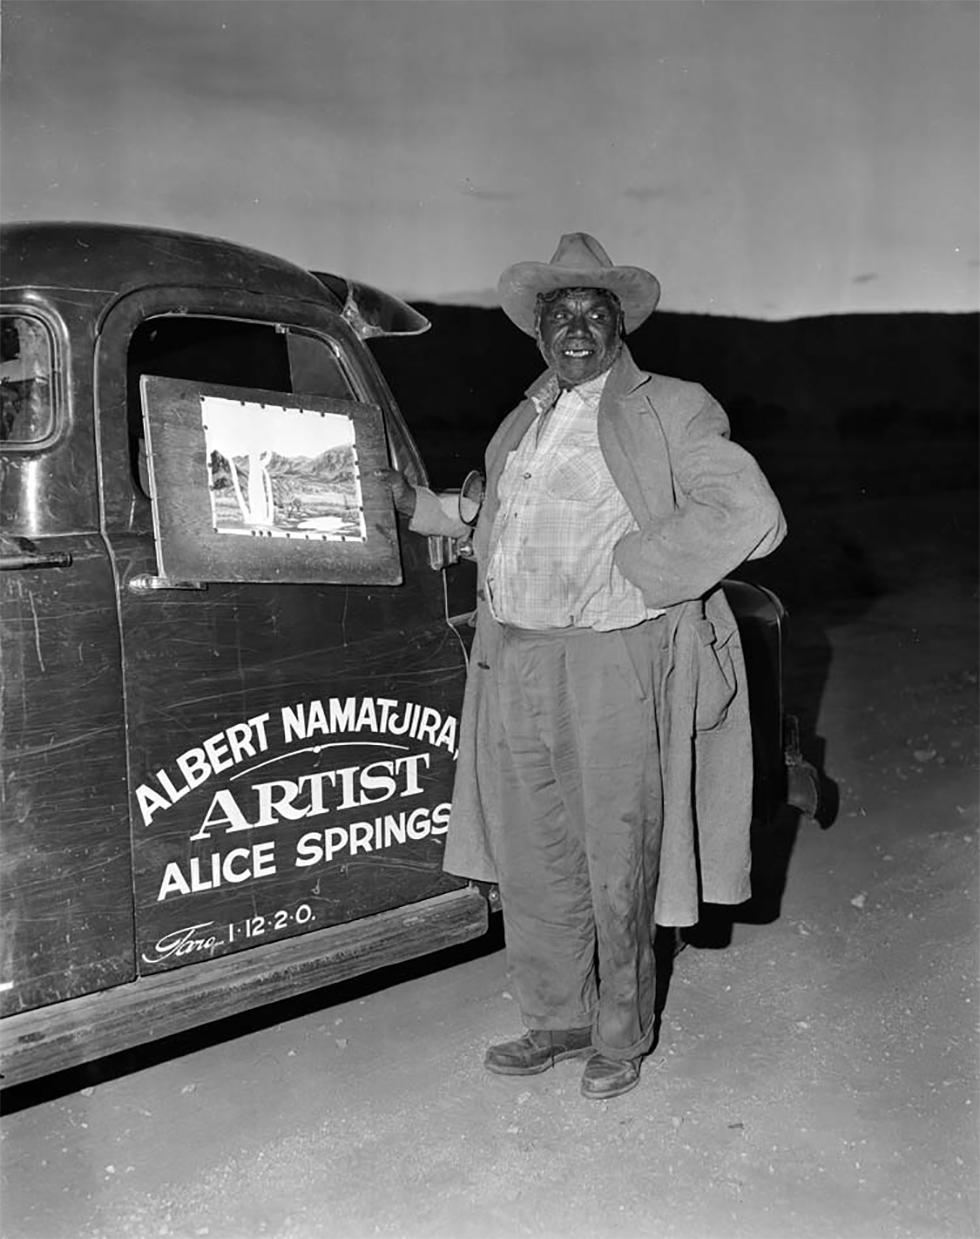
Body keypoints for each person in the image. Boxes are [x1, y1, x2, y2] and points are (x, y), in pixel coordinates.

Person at [379, 232, 786, 1099]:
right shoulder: (521, 422)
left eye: (592, 311)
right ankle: (557, 1016)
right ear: (537, 329)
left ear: (619, 324)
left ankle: (619, 1032)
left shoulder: (670, 407)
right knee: (535, 854)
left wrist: (642, 570)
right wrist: (410, 506)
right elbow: (492, 523)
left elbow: (747, 510)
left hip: (610, 663)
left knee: (618, 856)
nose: (574, 325)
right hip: (514, 660)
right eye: (557, 311)